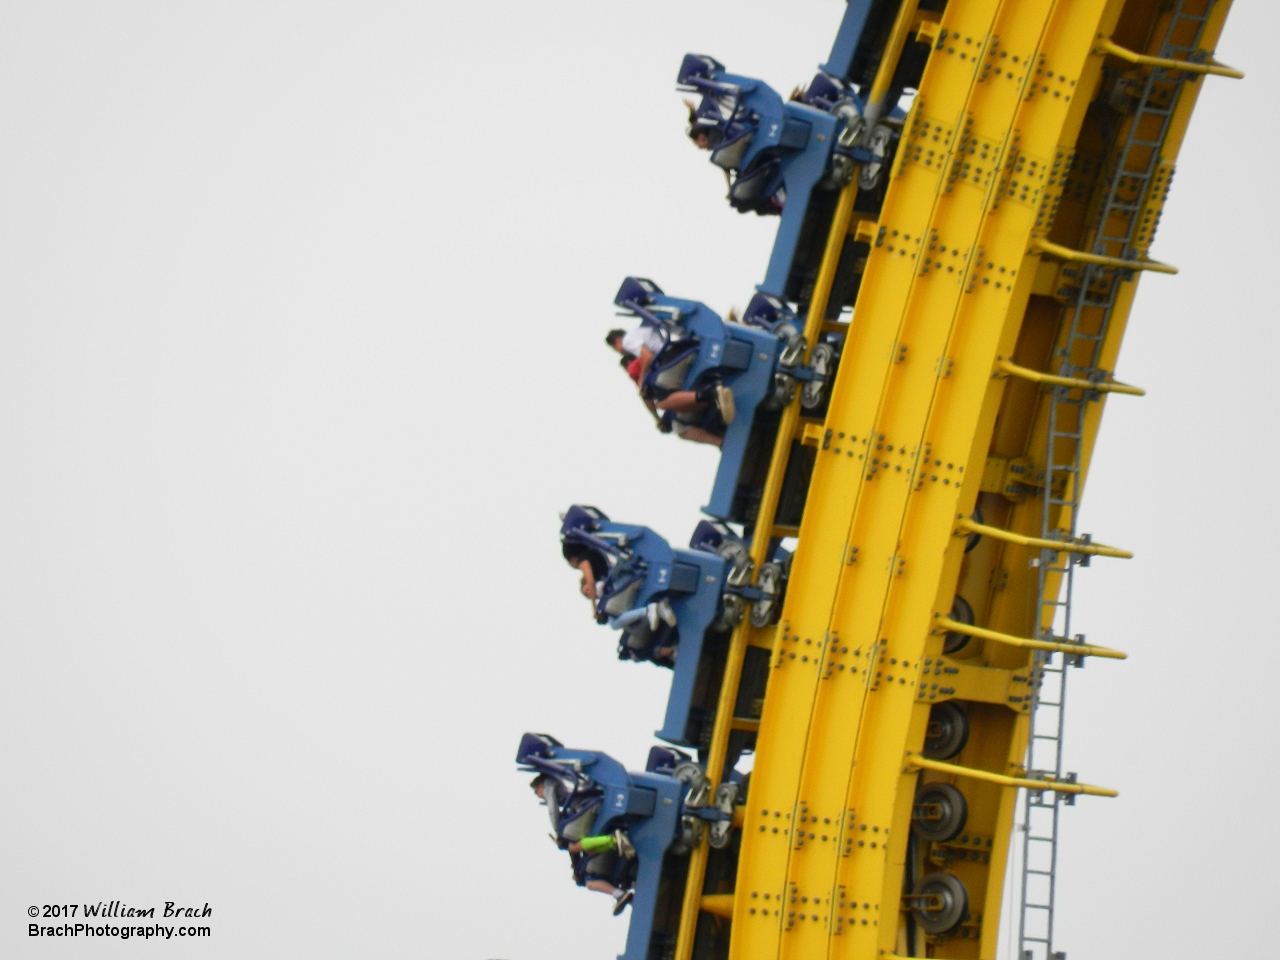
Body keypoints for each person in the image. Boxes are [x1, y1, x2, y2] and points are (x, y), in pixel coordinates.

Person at [605, 328, 735, 448]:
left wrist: (642, 381)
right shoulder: (643, 330)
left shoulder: (629, 343)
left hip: (673, 358)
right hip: (684, 350)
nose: (621, 352)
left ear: (617, 341)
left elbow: (647, 357)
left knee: (663, 402)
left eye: (616, 349)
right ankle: (714, 406)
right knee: (678, 411)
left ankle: (713, 398)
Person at [531, 774, 636, 915]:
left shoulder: (549, 785)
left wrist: (558, 832)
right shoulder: (560, 787)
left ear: (540, 786)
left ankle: (614, 840)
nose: (539, 796)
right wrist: (575, 866)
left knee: (570, 838)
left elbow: (552, 811)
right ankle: (621, 893)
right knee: (578, 848)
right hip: (586, 806)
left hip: (587, 805)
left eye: (537, 792)